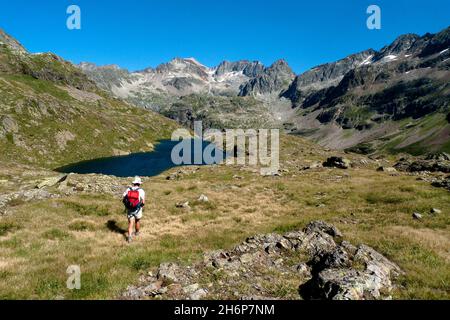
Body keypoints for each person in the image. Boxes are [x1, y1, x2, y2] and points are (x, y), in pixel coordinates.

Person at [122, 176, 145, 243]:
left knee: (130, 223)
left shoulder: (128, 189)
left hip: (129, 208)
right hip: (137, 208)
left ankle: (129, 237)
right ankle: (137, 233)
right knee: (137, 221)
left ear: (134, 183)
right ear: (139, 183)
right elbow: (143, 202)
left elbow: (123, 197)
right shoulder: (141, 191)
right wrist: (140, 206)